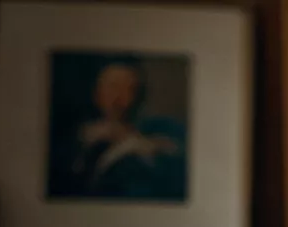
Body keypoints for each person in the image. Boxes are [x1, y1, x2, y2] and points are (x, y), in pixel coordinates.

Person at [49, 58, 186, 201]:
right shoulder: (76, 136)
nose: (118, 97)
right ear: (97, 93)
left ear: (140, 96)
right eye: (112, 87)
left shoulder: (160, 128)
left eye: (129, 89)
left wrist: (126, 138)